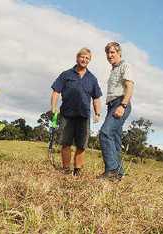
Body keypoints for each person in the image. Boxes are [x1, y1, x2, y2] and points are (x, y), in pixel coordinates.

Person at [51, 48, 102, 176]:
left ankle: (77, 170)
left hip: (83, 116)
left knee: (81, 144)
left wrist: (97, 113)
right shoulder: (66, 74)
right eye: (82, 57)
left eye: (87, 58)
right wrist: (53, 107)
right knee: (65, 142)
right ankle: (66, 169)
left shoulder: (92, 79)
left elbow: (96, 98)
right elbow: (56, 91)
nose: (84, 60)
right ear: (77, 58)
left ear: (89, 61)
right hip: (67, 114)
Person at [98, 42, 134, 180]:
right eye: (108, 53)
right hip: (112, 104)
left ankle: (111, 170)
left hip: (120, 103)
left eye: (112, 52)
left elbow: (129, 87)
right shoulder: (113, 69)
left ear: (119, 53)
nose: (109, 55)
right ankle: (119, 173)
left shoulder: (125, 66)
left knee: (105, 133)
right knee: (115, 139)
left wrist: (122, 105)